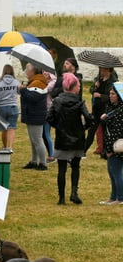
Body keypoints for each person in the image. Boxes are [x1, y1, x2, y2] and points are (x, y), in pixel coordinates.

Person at [47, 73, 93, 204]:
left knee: (61, 169)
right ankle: (74, 192)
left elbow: (49, 118)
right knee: (76, 166)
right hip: (77, 137)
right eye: (78, 85)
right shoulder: (79, 102)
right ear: (73, 87)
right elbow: (88, 118)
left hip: (62, 138)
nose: (79, 88)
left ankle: (61, 198)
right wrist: (84, 127)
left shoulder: (57, 101)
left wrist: (59, 127)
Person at [20, 63, 49, 170]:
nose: (26, 73)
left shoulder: (37, 83)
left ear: (32, 72)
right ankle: (34, 161)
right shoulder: (34, 82)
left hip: (36, 115)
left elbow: (33, 98)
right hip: (32, 114)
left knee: (37, 140)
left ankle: (43, 163)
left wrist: (23, 90)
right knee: (33, 141)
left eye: (27, 70)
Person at [85, 67, 117, 156]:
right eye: (100, 69)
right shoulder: (98, 79)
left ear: (108, 70)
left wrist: (100, 95)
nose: (101, 71)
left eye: (103, 69)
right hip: (96, 109)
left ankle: (104, 152)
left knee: (105, 131)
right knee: (91, 130)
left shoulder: (113, 81)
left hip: (106, 109)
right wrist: (95, 86)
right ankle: (84, 150)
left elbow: (112, 96)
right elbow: (91, 90)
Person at [100, 87, 123, 204]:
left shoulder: (120, 112)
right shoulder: (112, 109)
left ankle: (120, 198)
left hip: (116, 147)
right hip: (111, 145)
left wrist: (110, 149)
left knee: (116, 172)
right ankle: (113, 197)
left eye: (113, 94)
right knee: (111, 171)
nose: (110, 96)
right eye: (110, 93)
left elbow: (116, 132)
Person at [0, 64, 20, 151]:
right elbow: (20, 92)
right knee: (12, 128)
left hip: (2, 107)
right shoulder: (16, 82)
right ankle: (10, 147)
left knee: (4, 129)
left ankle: (5, 146)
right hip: (13, 107)